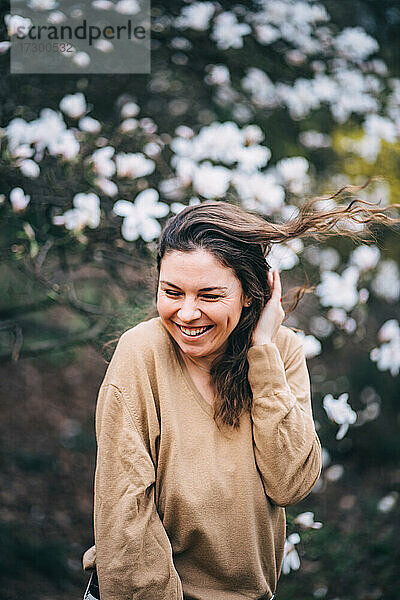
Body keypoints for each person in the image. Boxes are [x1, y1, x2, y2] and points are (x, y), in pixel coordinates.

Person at [85, 192, 399, 599]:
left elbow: (291, 483)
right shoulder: (141, 353)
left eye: (210, 296)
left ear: (251, 293)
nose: (186, 313)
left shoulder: (281, 351)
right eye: (172, 292)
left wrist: (263, 352)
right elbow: (125, 511)